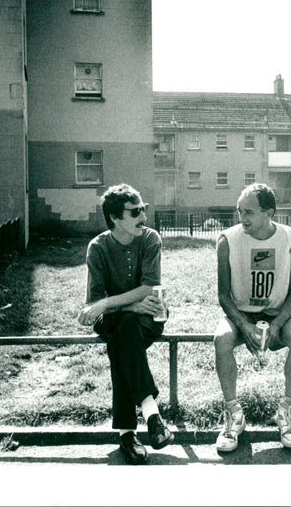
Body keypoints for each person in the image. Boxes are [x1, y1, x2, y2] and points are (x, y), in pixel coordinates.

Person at [78, 184, 173, 465]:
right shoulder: (97, 247)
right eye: (135, 212)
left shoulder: (150, 239)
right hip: (114, 321)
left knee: (124, 336)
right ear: (115, 218)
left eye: (143, 209)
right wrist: (127, 305)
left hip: (148, 318)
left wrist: (110, 304)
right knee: (125, 327)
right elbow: (94, 300)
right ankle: (152, 414)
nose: (143, 216)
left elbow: (149, 287)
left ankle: (127, 434)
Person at [213, 183, 291, 452]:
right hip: (240, 313)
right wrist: (243, 325)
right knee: (221, 338)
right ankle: (233, 414)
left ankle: (286, 411)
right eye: (239, 211)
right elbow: (223, 295)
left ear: (269, 213)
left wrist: (277, 325)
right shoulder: (227, 240)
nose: (242, 218)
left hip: (278, 313)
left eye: (249, 212)